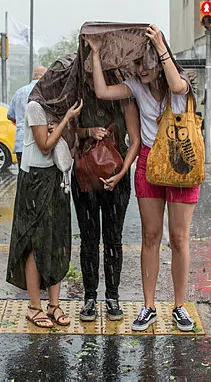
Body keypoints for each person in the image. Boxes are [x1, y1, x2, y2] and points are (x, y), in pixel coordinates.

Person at [86, 24, 200, 333]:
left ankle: (179, 306)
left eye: (145, 63)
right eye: (136, 63)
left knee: (178, 238)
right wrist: (96, 53)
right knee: (151, 236)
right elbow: (102, 91)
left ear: (159, 62)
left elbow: (177, 87)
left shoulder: (179, 80)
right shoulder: (136, 86)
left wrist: (160, 45)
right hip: (149, 162)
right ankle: (148, 306)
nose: (140, 69)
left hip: (180, 159)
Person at [6, 96, 82, 329]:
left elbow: (71, 141)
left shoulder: (61, 107)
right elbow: (45, 145)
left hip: (58, 177)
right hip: (35, 178)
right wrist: (66, 120)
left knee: (56, 241)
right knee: (35, 241)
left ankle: (54, 305)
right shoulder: (35, 106)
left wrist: (66, 123)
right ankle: (34, 307)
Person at [72, 89, 141, 323]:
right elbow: (68, 132)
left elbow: (135, 141)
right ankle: (90, 297)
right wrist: (88, 132)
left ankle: (112, 296)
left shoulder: (124, 98)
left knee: (113, 239)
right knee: (89, 239)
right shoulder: (79, 94)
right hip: (85, 175)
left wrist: (122, 173)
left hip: (117, 175)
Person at [8, 66, 47, 163]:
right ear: (44, 76)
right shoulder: (46, 92)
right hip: (39, 143)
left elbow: (10, 115)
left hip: (21, 143)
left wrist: (22, 121)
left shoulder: (19, 92)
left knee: (23, 171)